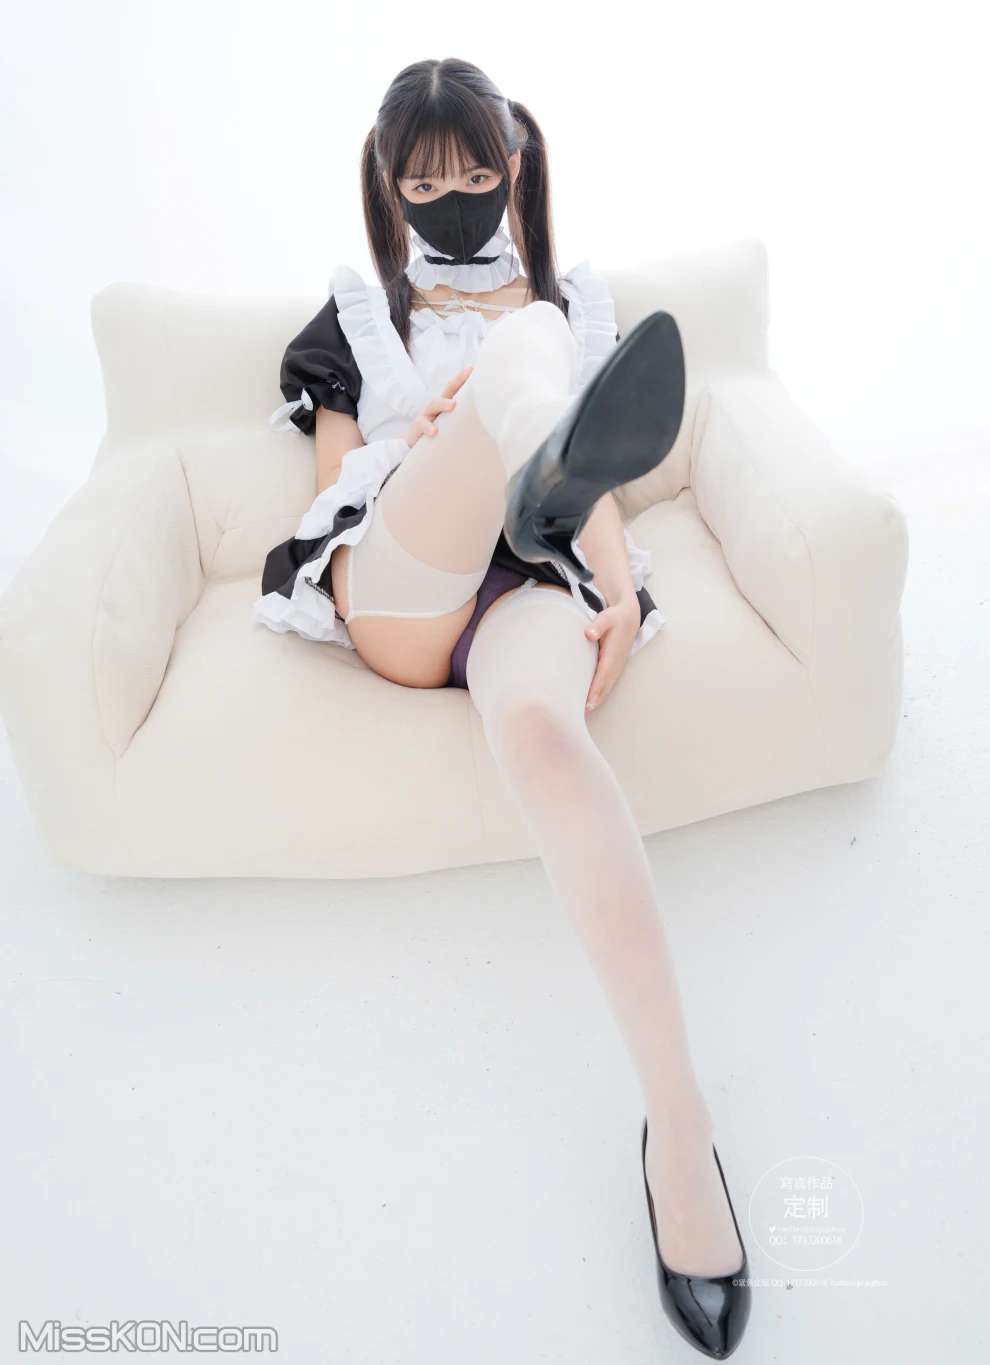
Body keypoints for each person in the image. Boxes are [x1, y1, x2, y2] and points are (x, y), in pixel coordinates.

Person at [253, 56, 751, 1359]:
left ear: (515, 167)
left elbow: (605, 496)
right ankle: (518, 448)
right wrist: (441, 436)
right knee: (509, 381)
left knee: (542, 729)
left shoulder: (568, 300)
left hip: (526, 574)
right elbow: (335, 486)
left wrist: (621, 590)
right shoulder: (358, 316)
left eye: (477, 176)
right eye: (426, 188)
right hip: (404, 567)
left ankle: (680, 1126)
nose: (455, 202)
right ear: (387, 187)